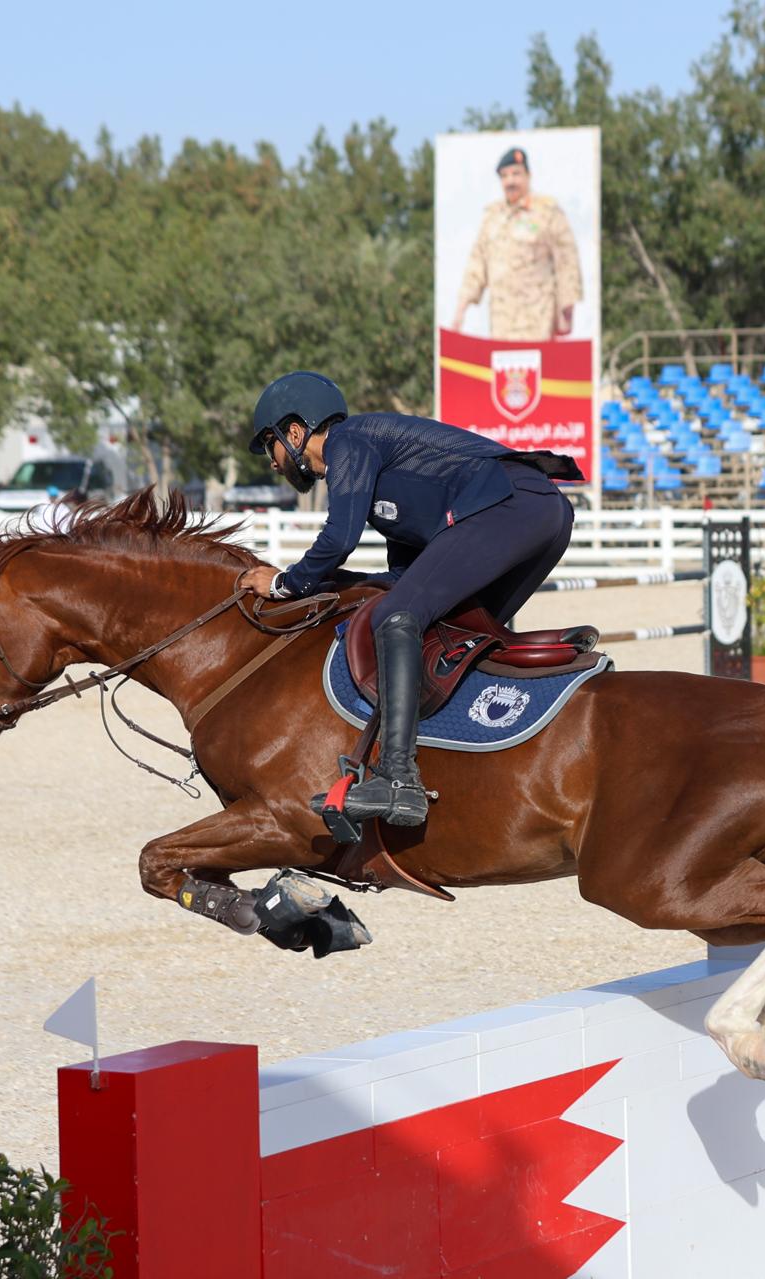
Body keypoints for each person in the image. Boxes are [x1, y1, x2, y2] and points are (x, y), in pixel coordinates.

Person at [240, 371, 580, 826]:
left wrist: (286, 583)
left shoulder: (348, 442)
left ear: (296, 433)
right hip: (542, 511)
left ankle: (398, 778)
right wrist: (342, 582)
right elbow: (404, 576)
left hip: (510, 504)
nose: (273, 462)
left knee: (397, 617)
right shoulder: (382, 474)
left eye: (271, 445)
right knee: (452, 631)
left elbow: (339, 538)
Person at [452, 147, 583, 341]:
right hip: (501, 322)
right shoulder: (492, 216)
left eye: (516, 174)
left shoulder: (547, 212)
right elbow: (477, 263)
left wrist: (567, 308)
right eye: (505, 176)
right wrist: (461, 309)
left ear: (528, 176)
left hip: (538, 320)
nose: (510, 181)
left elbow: (567, 260)